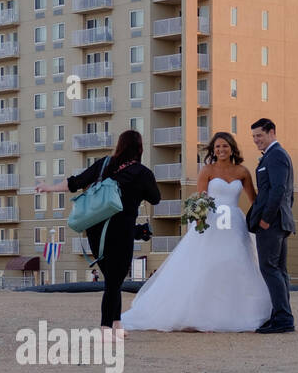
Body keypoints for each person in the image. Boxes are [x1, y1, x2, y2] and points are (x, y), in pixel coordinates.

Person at [121, 132, 273, 332]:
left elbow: (254, 199)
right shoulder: (207, 171)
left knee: (236, 262)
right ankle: (199, 313)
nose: (221, 150)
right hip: (211, 221)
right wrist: (199, 220)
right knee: (207, 264)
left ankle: (235, 312)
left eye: (225, 146)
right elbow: (200, 199)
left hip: (234, 222)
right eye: (217, 147)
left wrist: (265, 218)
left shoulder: (242, 171)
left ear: (232, 148)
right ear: (213, 150)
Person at [36, 130, 160, 332]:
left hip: (96, 231)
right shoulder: (142, 172)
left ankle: (117, 323)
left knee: (113, 278)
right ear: (140, 148)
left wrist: (49, 188)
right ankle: (105, 327)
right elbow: (155, 198)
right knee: (114, 280)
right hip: (122, 230)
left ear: (119, 146)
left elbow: (76, 182)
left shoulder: (104, 163)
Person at [246, 118, 296, 333]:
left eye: (260, 135)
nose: (256, 140)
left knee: (270, 268)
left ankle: (283, 318)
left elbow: (279, 190)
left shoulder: (276, 155)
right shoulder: (274, 155)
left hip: (272, 223)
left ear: (271, 132)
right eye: (254, 136)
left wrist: (266, 219)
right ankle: (281, 316)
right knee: (279, 270)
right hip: (280, 220)